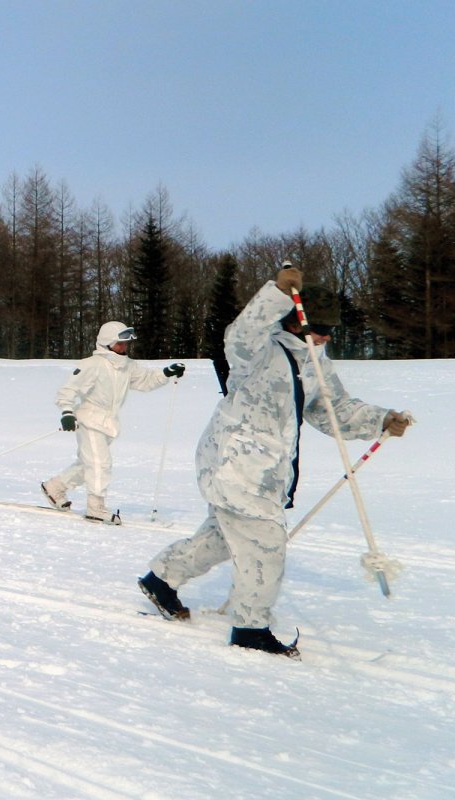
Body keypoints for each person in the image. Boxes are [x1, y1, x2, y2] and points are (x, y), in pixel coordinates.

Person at [137, 263, 412, 657]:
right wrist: (278, 293)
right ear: (296, 321)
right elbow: (240, 333)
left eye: (332, 330)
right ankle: (250, 630)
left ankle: (161, 580)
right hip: (236, 464)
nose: (326, 336)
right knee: (265, 546)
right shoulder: (260, 351)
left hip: (267, 471)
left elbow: (332, 409)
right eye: (320, 327)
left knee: (220, 539)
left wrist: (380, 419)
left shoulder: (316, 362)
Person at [41, 321, 185, 523]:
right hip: (89, 419)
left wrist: (166, 373)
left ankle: (54, 488)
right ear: (107, 343)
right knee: (100, 463)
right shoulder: (92, 364)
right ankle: (96, 506)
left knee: (88, 464)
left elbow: (145, 381)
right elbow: (68, 389)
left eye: (126, 344)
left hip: (108, 423)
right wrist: (67, 412)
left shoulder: (127, 366)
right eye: (120, 343)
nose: (124, 347)